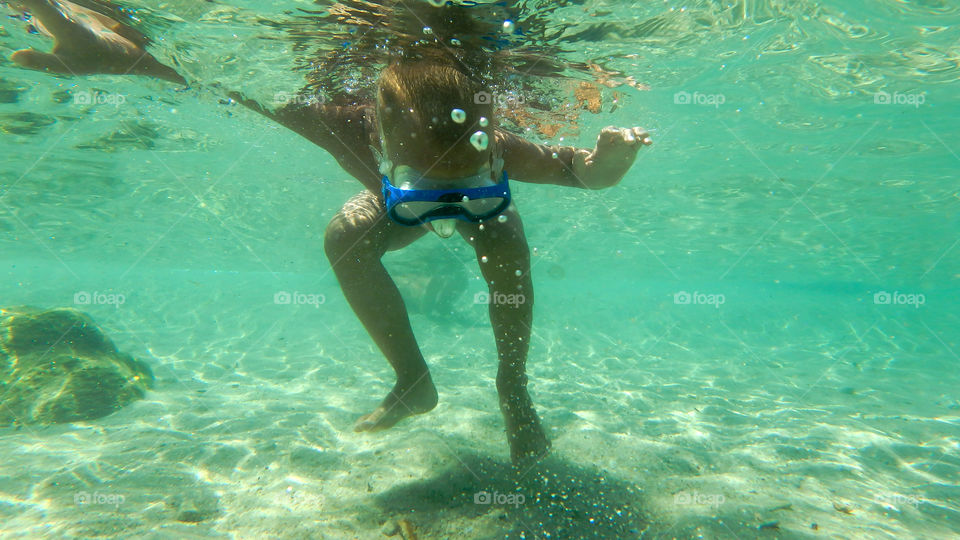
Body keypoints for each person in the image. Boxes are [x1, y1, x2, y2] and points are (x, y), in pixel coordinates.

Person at [9, 0, 652, 464]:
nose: (444, 192)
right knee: (342, 237)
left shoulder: (500, 146)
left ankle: (513, 385)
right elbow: (215, 79)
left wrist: (609, 162)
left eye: (462, 166)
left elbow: (580, 171)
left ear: (485, 140)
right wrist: (118, 58)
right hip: (394, 210)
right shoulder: (334, 121)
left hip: (491, 215)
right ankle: (411, 379)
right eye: (425, 176)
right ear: (375, 126)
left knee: (509, 258)